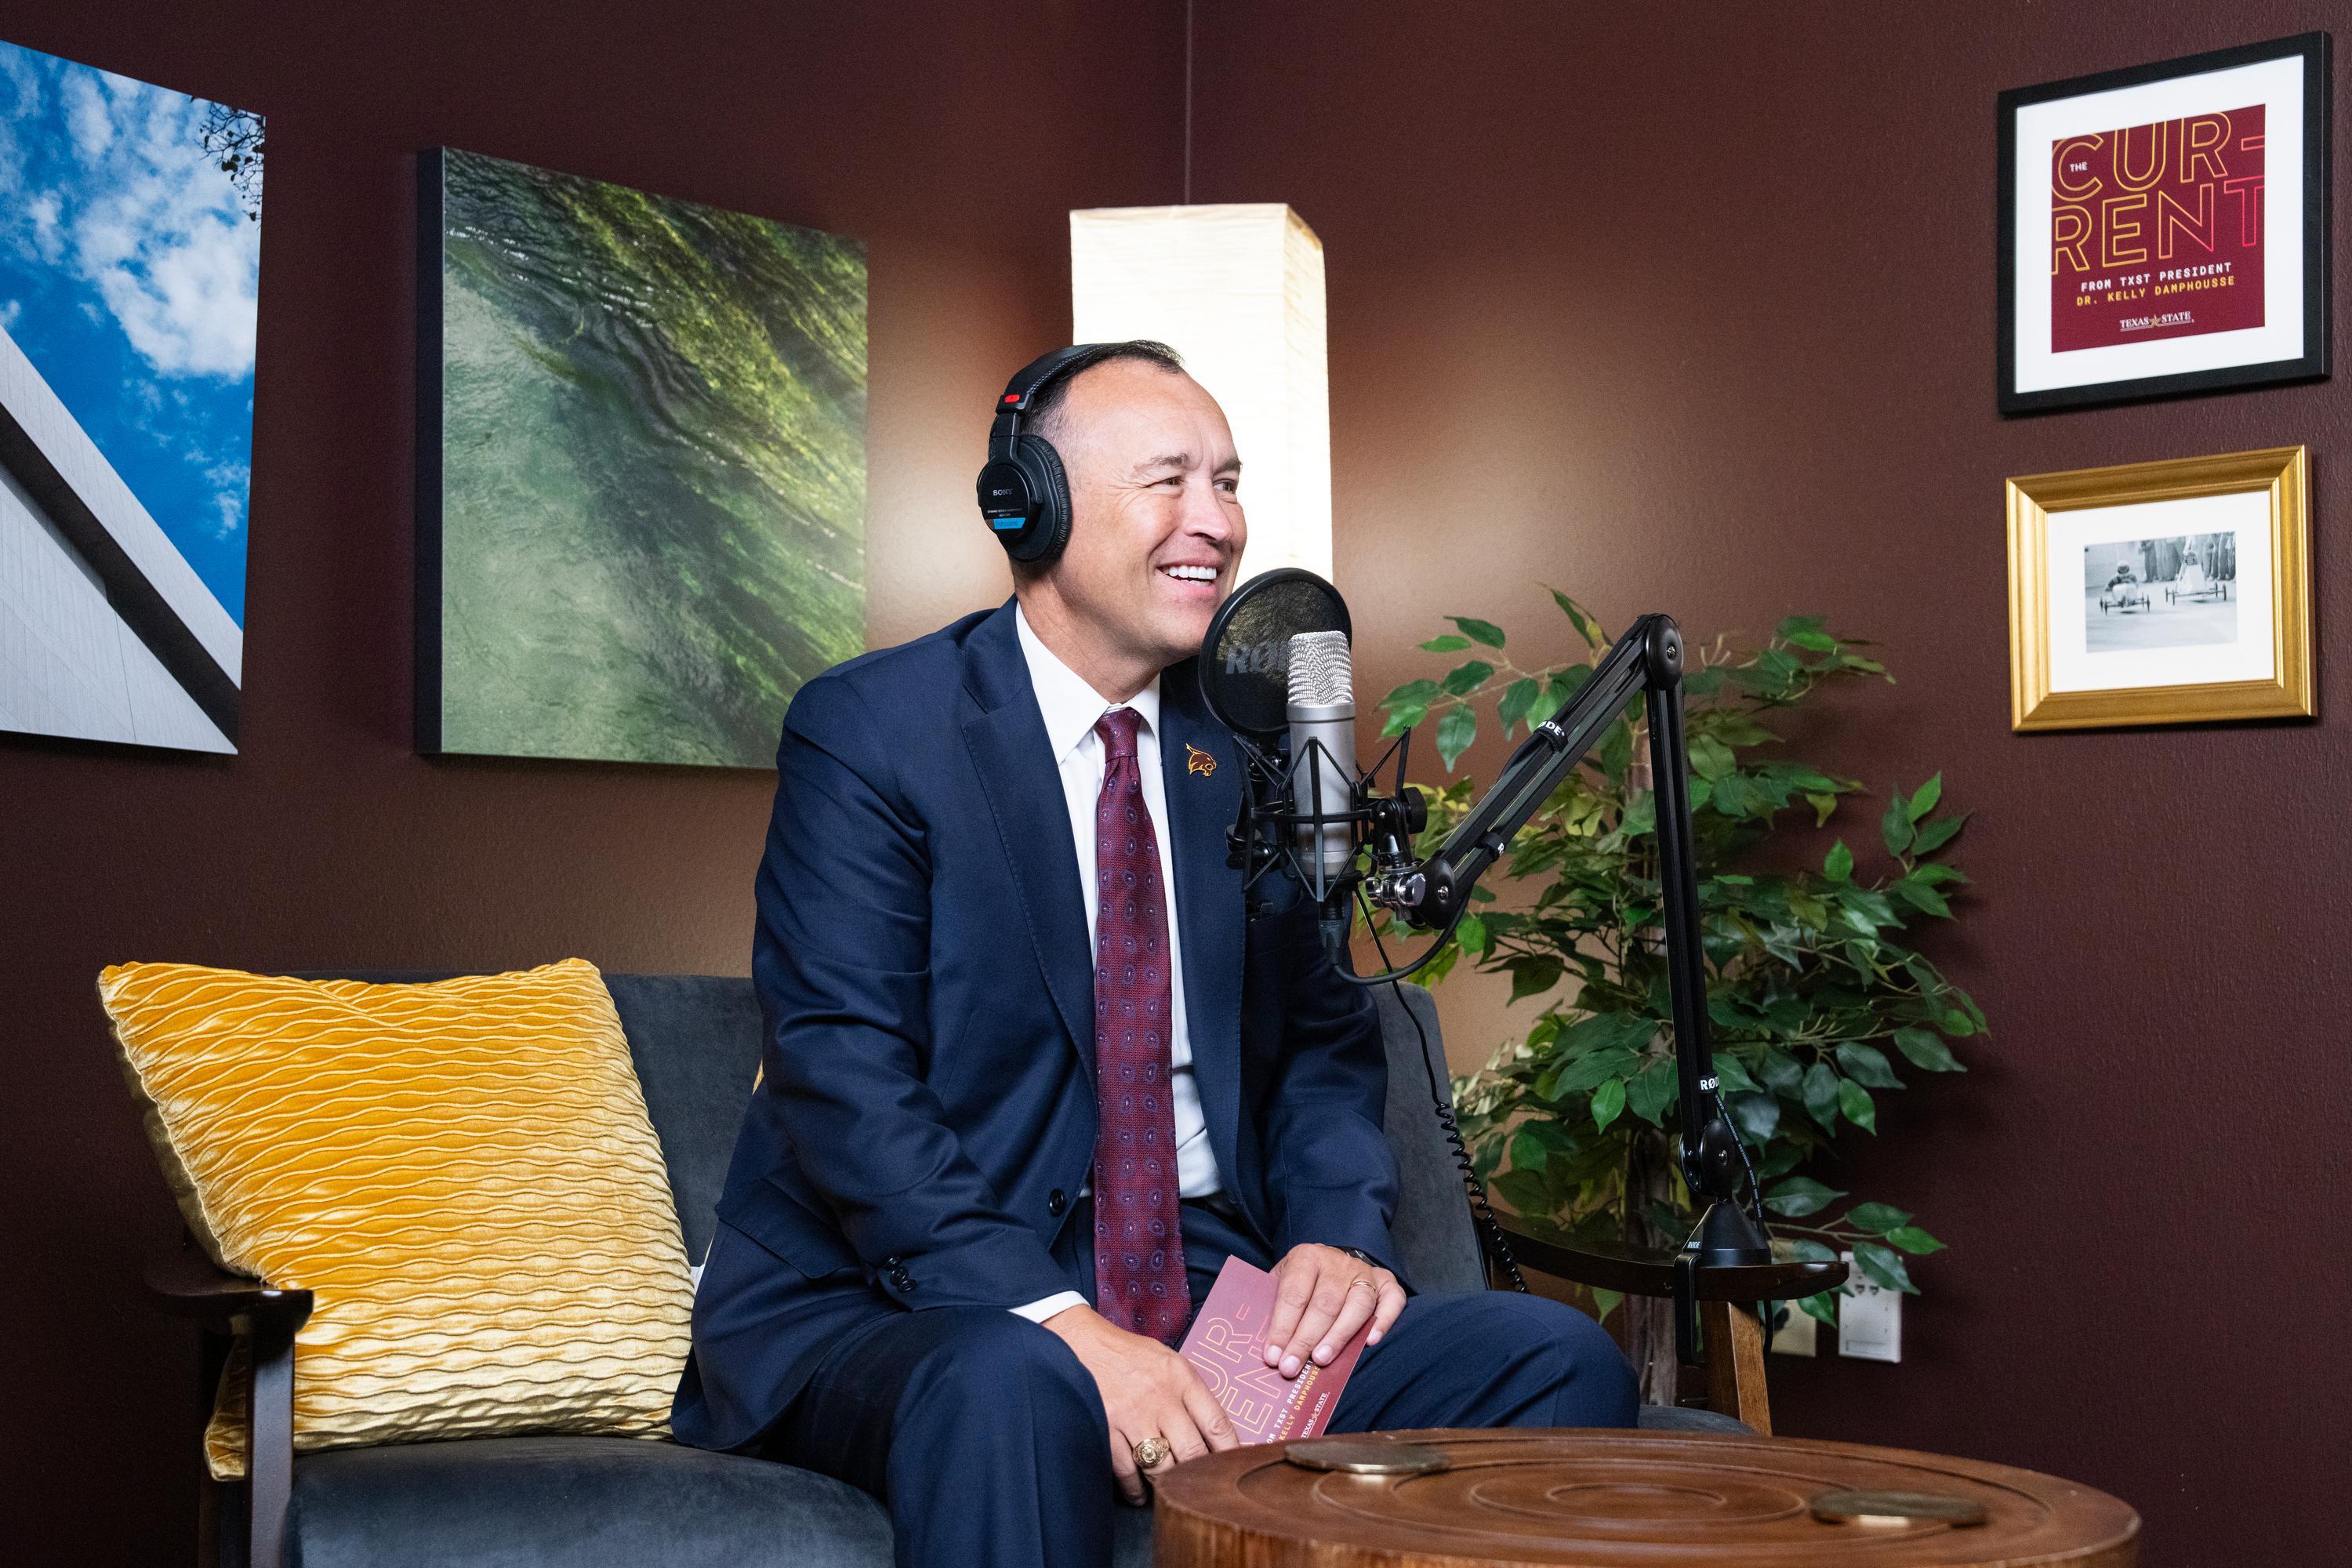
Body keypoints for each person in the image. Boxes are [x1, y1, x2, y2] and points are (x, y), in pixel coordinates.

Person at [672, 341, 1636, 1568]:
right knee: (1017, 1383)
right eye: (1170, 481)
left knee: (1554, 1362)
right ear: (1036, 506)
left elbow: (1326, 1040)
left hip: (1198, 1281)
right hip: (896, 1300)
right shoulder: (874, 730)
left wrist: (1337, 1234)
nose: (1218, 524)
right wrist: (1064, 1322)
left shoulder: (1260, 745)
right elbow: (840, 1074)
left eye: (1229, 483)